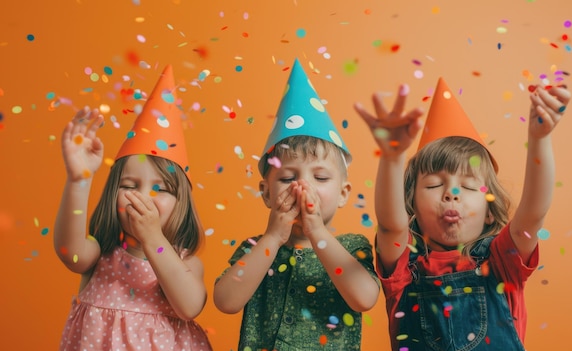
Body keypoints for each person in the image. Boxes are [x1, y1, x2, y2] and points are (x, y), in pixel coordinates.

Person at [354, 77, 570, 350]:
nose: (451, 193)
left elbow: (534, 213)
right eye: (434, 184)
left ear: (489, 212)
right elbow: (389, 226)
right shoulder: (404, 266)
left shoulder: (503, 261)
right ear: (412, 206)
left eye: (468, 186)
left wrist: (539, 139)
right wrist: (392, 159)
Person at [213, 58, 380, 350]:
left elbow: (365, 298)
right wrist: (273, 238)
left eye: (320, 177)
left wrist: (319, 234)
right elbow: (226, 302)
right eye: (288, 176)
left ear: (343, 193)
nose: (302, 187)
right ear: (266, 193)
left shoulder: (352, 247)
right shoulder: (255, 248)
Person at [54, 65, 213, 350]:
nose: (142, 196)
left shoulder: (187, 264)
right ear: (114, 194)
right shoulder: (100, 254)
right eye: (129, 185)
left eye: (160, 188)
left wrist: (153, 238)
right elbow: (70, 252)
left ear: (182, 204)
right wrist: (78, 180)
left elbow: (189, 306)